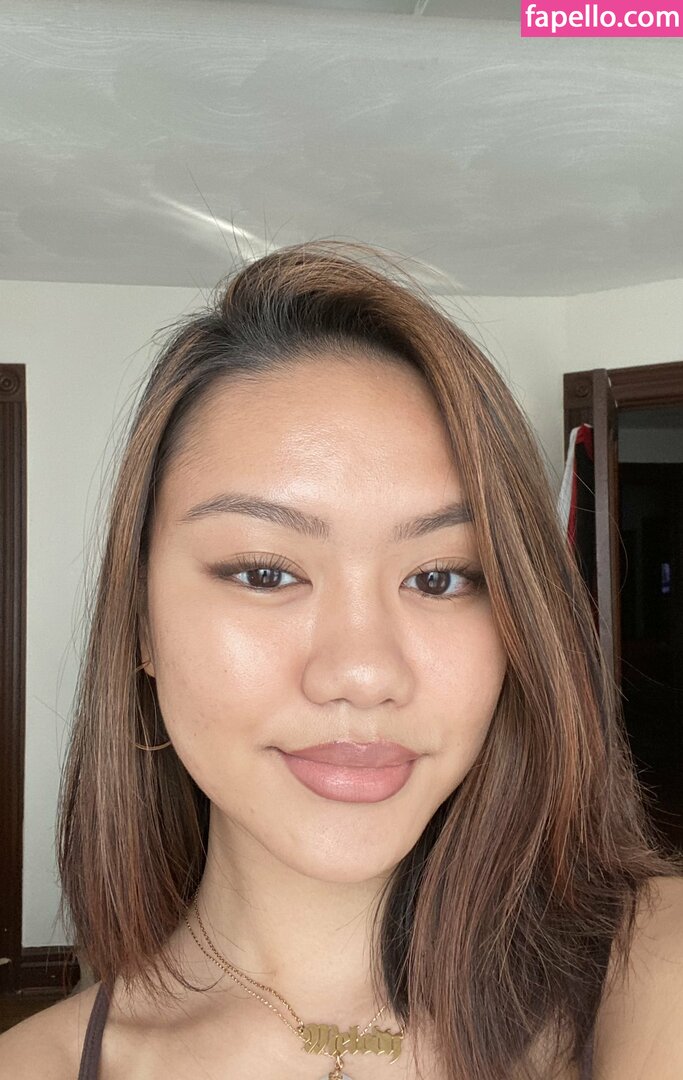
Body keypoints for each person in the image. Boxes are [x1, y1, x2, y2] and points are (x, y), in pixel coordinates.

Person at [2, 241, 682, 1080]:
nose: (362, 673)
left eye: (439, 577)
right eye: (264, 572)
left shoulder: (651, 968)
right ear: (141, 624)